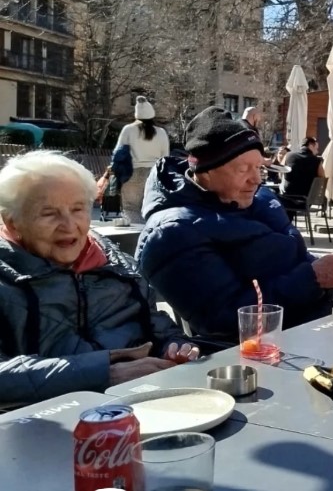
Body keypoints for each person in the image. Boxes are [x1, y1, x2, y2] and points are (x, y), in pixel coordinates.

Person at [136, 107, 333, 337]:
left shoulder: (260, 198)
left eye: (258, 167)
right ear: (206, 171)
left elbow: (294, 255)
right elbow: (223, 318)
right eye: (243, 169)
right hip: (267, 348)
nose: (255, 179)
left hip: (317, 327)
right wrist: (313, 278)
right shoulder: (170, 234)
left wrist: (332, 270)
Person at [0, 151, 198, 407]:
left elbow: (158, 328)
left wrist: (175, 347)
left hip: (141, 403)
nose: (69, 225)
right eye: (49, 213)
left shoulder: (117, 266)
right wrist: (105, 373)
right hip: (43, 421)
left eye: (78, 209)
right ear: (12, 223)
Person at [115, 96, 170, 224]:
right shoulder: (161, 132)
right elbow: (165, 157)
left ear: (136, 115)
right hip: (154, 174)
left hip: (132, 173)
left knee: (131, 208)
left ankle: (135, 233)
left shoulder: (128, 130)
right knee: (153, 208)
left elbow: (119, 154)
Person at [280, 136, 325, 211]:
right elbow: (322, 178)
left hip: (287, 198)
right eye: (316, 148)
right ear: (311, 145)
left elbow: (280, 172)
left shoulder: (288, 155)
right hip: (306, 200)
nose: (317, 152)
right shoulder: (316, 161)